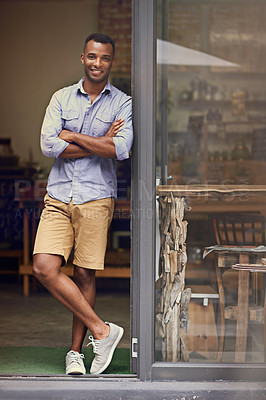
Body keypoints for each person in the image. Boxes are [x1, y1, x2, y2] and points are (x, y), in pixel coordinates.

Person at [32, 33, 133, 375]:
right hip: (59, 194)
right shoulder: (61, 98)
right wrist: (100, 140)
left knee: (84, 274)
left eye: (104, 58)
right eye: (92, 56)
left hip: (96, 195)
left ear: (111, 62)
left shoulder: (123, 102)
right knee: (44, 267)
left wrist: (73, 136)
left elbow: (120, 149)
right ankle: (102, 331)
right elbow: (48, 145)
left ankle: (75, 353)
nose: (97, 63)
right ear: (82, 58)